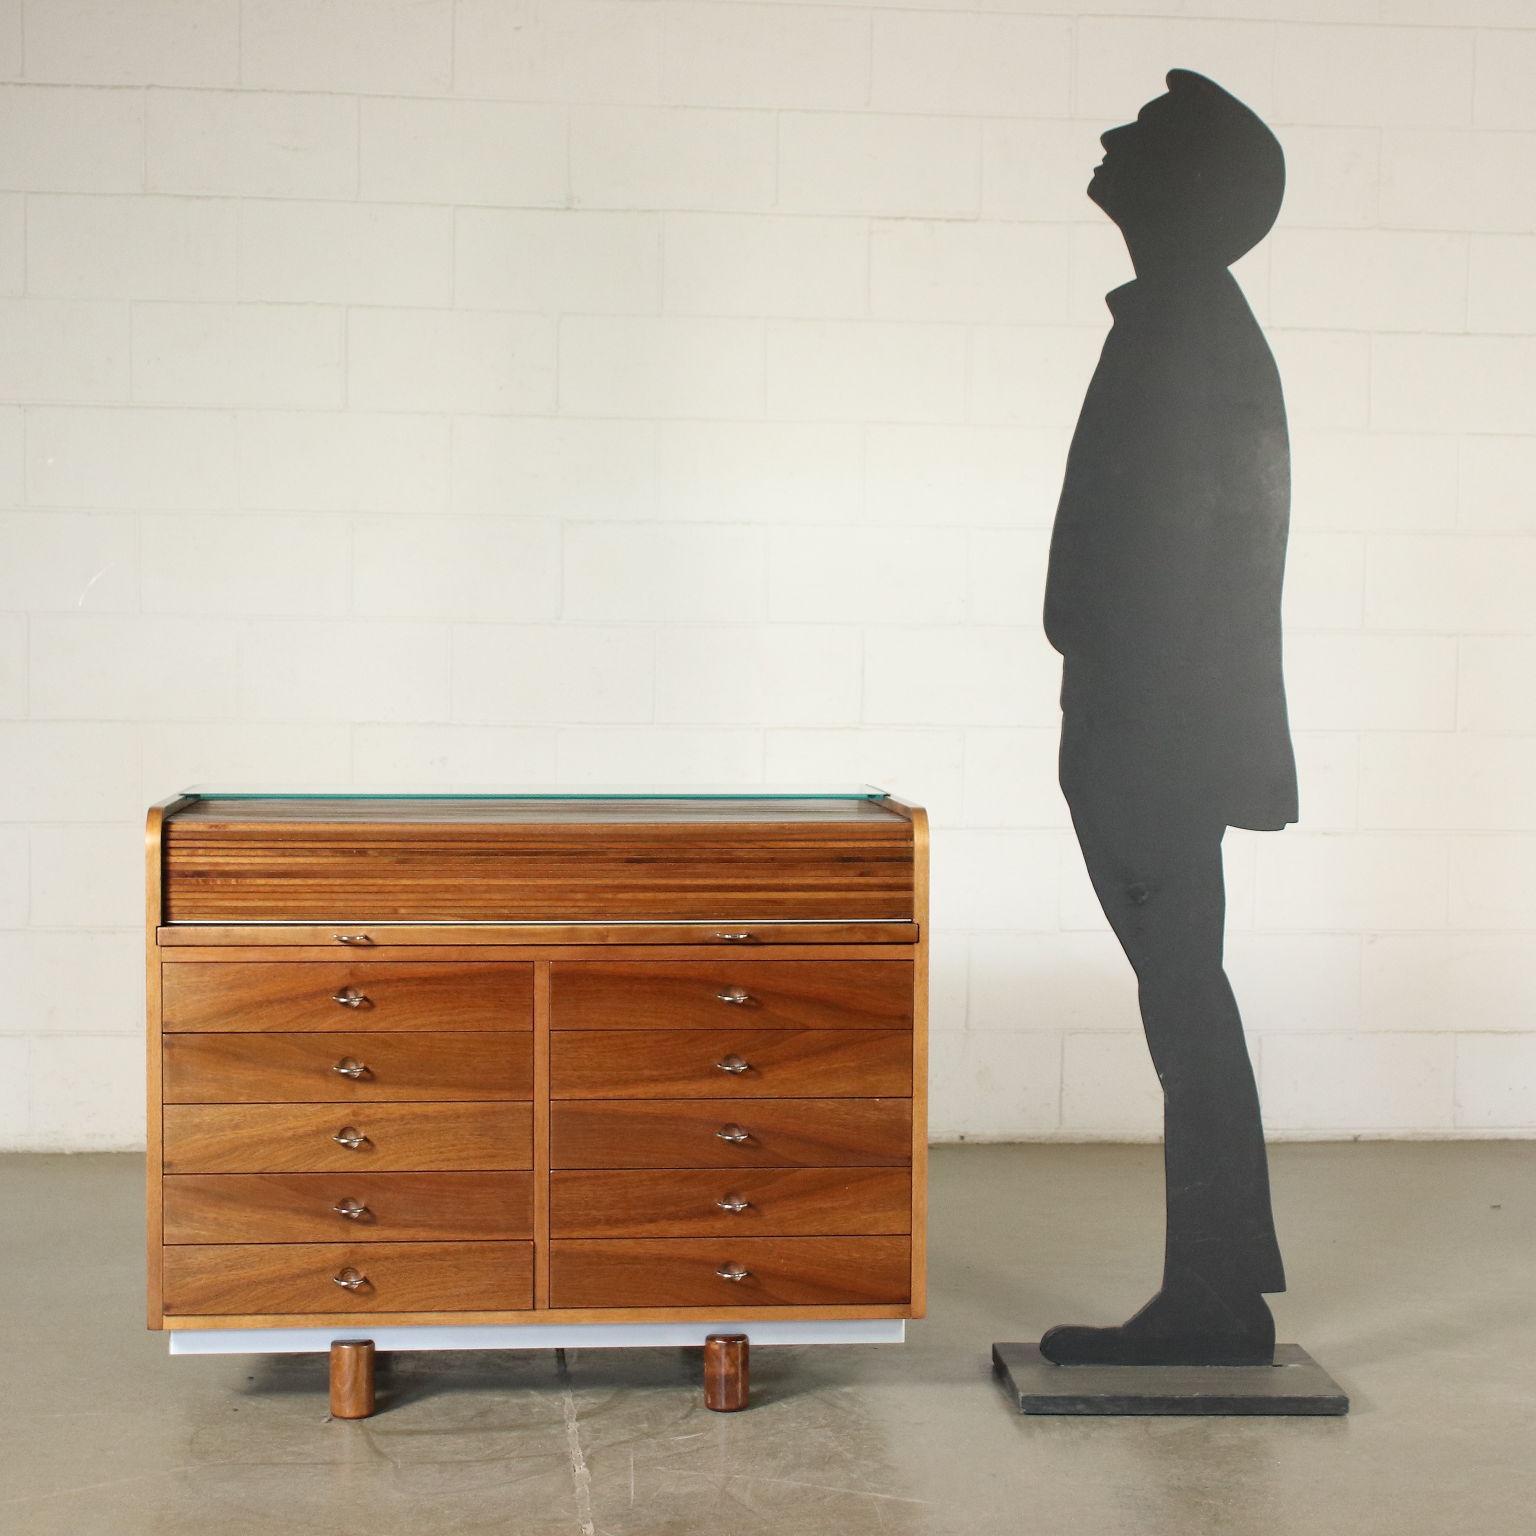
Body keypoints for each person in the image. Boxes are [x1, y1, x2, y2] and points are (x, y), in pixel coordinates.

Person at [1039, 69, 1296, 1367]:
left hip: (1152, 738)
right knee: (1185, 997)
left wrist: (1125, 725)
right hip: (1150, 732)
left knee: (1184, 998)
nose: (1106, 135)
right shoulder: (1189, 323)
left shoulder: (1187, 332)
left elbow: (1186, 568)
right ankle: (1223, 1278)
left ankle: (1214, 1297)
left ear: (1184, 186)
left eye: (1138, 133)